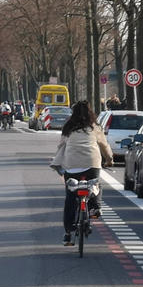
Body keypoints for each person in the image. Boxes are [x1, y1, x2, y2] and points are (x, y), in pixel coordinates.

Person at [50, 100, 113, 246]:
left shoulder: (69, 128)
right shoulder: (95, 127)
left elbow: (61, 146)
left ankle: (67, 233)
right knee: (96, 184)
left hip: (71, 166)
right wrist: (109, 160)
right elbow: (104, 146)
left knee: (70, 199)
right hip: (92, 165)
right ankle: (95, 207)